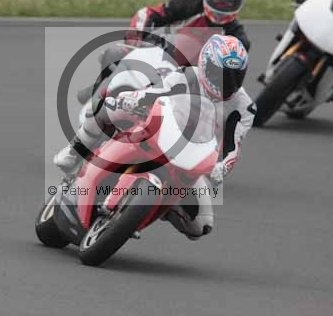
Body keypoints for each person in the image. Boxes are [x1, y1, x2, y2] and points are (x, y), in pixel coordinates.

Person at [55, 34, 256, 240]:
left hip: (190, 156)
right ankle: (75, 151)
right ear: (205, 63)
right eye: (219, 74)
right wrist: (133, 100)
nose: (227, 83)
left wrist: (222, 168)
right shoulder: (186, 75)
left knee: (200, 226)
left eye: (235, 77)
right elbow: (157, 92)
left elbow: (234, 144)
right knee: (109, 106)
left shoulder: (245, 108)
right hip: (159, 131)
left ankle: (155, 208)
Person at [76, 0, 251, 104]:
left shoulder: (238, 39)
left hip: (195, 81)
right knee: (115, 53)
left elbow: (230, 78)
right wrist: (136, 40)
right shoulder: (189, 4)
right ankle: (98, 92)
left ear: (239, 3)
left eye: (229, 2)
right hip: (163, 55)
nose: (221, 6)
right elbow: (148, 14)